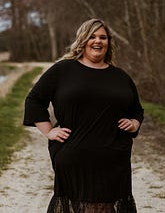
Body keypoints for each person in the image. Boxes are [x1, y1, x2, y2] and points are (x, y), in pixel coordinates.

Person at [23, 18, 144, 212]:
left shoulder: (120, 76)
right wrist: (49, 131)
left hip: (114, 159)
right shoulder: (63, 70)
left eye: (103, 37)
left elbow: (136, 108)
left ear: (108, 42)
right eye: (92, 36)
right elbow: (34, 100)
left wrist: (135, 123)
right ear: (83, 40)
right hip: (74, 156)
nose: (98, 41)